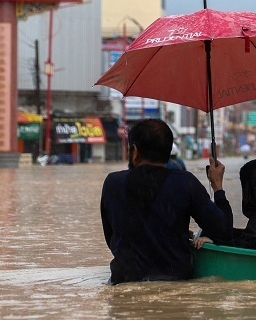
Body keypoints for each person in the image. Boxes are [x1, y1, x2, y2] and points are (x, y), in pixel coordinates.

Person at [100, 118, 233, 284]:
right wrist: (217, 187)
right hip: (175, 283)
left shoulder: (112, 183)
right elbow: (224, 231)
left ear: (135, 152)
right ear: (169, 150)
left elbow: (112, 238)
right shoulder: (186, 182)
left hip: (124, 281)